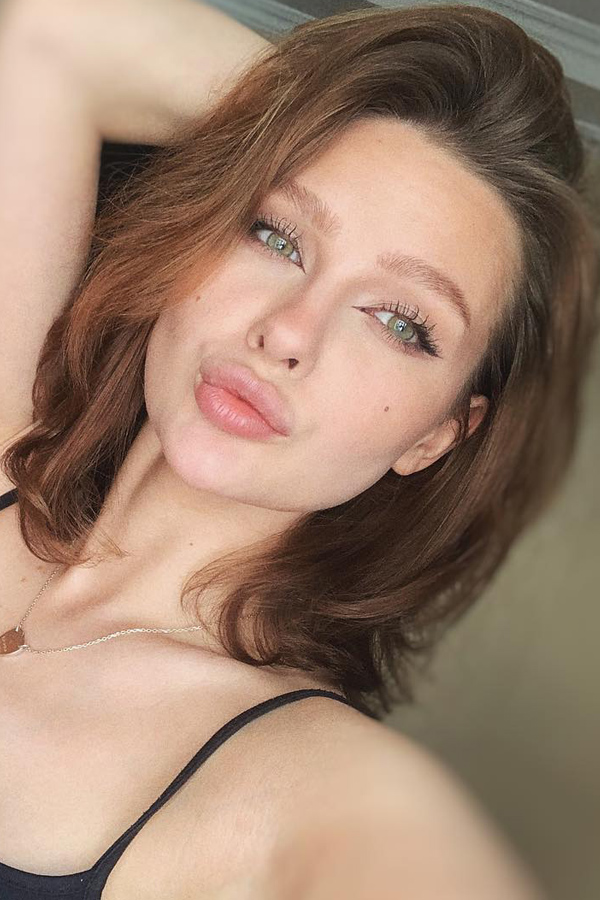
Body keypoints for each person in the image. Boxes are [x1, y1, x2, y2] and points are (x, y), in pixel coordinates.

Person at [0, 0, 597, 897]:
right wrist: (312, 112)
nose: (288, 332)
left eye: (399, 322)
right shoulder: (11, 439)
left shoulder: (315, 789)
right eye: (276, 235)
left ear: (434, 436)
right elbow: (60, 33)